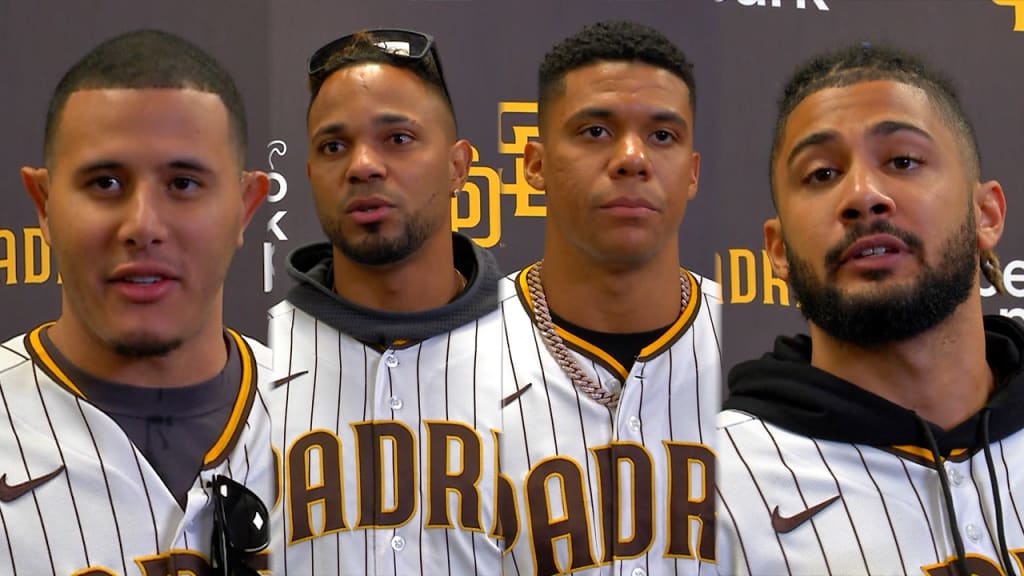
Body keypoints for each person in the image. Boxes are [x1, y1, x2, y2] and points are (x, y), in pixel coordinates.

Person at [716, 43, 1022, 575]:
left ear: (986, 214)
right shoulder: (703, 496)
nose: (862, 194)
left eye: (903, 161)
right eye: (821, 174)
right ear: (779, 251)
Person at [2, 29, 274, 575]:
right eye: (105, 183)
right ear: (45, 204)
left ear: (245, 208)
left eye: (183, 183)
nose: (143, 225)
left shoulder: (338, 431)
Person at [267, 28, 504, 575]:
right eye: (334, 146)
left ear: (458, 165)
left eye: (397, 138)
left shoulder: (550, 357)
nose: (363, 166)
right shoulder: (249, 366)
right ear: (310, 175)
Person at [497, 20, 722, 575]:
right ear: (535, 165)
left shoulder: (761, 354)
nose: (631, 158)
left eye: (662, 136)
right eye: (595, 131)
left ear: (692, 174)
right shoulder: (448, 356)